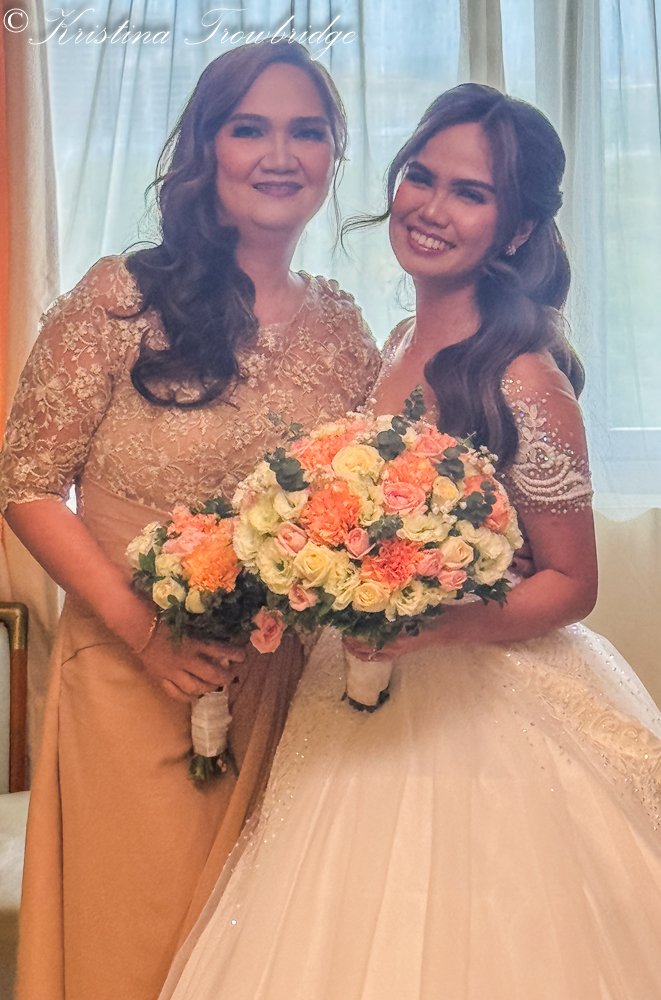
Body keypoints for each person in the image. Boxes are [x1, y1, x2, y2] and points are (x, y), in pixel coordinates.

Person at [158, 85, 661, 1000]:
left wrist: (435, 624)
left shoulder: (523, 380)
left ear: (515, 230)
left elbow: (571, 581)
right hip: (352, 685)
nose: (430, 207)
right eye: (420, 177)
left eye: (470, 193)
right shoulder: (393, 342)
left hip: (480, 704)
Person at [0, 42, 380, 1000]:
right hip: (130, 675)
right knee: (138, 944)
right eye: (249, 128)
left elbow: (362, 501)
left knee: (265, 956)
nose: (279, 155)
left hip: (282, 689)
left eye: (306, 132)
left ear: (333, 155)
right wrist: (144, 632)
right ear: (206, 148)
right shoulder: (120, 299)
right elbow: (27, 484)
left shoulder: (342, 330)